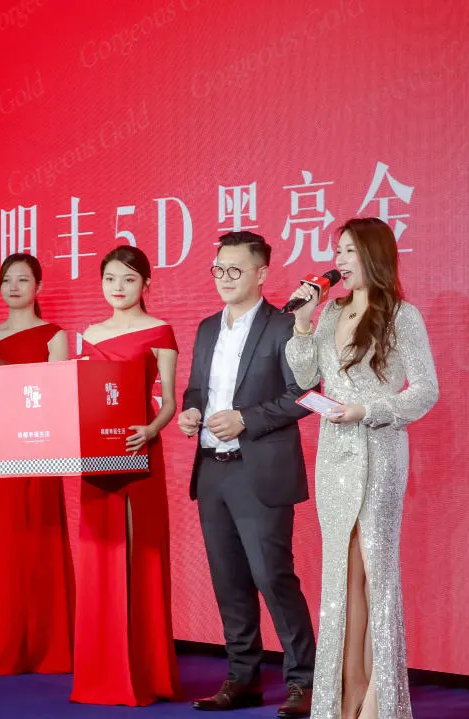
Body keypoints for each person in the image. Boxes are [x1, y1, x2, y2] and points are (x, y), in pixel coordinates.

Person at [286, 217, 439, 719]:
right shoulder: (329, 312)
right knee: (341, 576)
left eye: (349, 251)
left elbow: (425, 391)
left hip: (379, 451)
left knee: (377, 571)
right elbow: (305, 377)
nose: (340, 260)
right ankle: (342, 698)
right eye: (338, 250)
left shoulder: (402, 316)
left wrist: (369, 410)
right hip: (333, 454)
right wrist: (303, 322)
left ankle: (381, 702)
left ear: (374, 256)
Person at [177, 231, 316, 718]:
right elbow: (196, 389)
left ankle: (304, 681)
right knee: (229, 579)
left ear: (262, 273)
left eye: (235, 270)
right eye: (218, 269)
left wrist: (246, 419)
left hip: (260, 470)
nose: (225, 278)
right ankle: (242, 678)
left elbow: (306, 394)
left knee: (272, 576)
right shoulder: (206, 328)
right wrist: (191, 412)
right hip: (212, 470)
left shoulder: (285, 326)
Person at [71, 245, 181, 706]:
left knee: (138, 556)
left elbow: (169, 401)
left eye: (129, 279)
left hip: (138, 454)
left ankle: (142, 672)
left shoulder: (159, 331)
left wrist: (151, 430)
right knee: (100, 558)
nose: (118, 287)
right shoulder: (90, 334)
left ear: (146, 284)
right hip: (95, 459)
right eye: (110, 278)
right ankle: (100, 672)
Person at [0, 253, 74, 675]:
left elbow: (60, 396)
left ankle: (45, 645)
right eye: (7, 279)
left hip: (41, 443)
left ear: (38, 287)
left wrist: (17, 392)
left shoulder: (54, 335)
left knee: (40, 536)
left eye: (23, 279)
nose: (14, 286)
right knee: (0, 538)